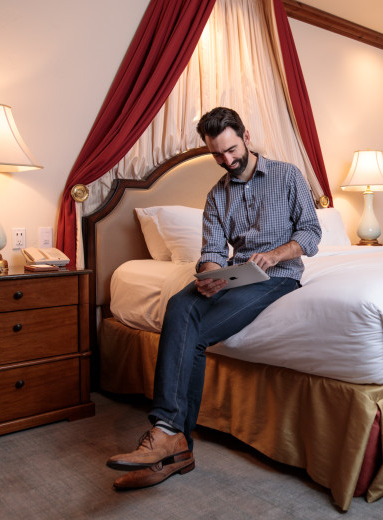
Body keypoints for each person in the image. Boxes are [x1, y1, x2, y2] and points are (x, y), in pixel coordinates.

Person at [107, 107, 321, 489]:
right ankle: (169, 437)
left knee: (196, 332)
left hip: (277, 276)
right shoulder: (216, 195)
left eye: (232, 149)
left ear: (246, 136)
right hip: (233, 276)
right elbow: (211, 251)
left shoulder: (288, 175)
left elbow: (310, 233)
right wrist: (208, 275)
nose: (227, 160)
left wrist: (275, 254)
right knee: (179, 304)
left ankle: (172, 443)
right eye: (217, 155)